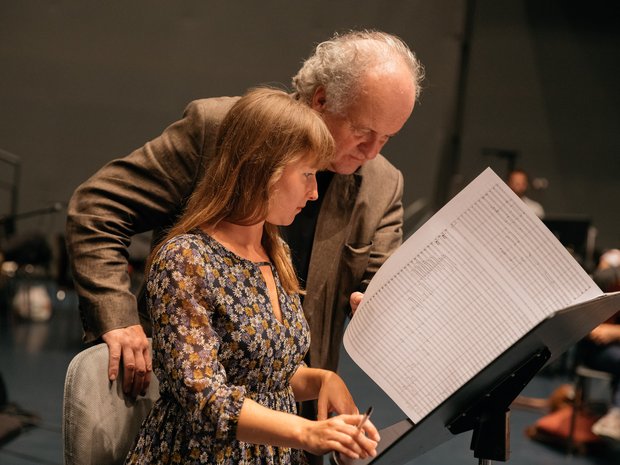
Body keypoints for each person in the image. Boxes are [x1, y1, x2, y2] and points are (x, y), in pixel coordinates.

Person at [66, 29, 423, 400]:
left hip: (295, 402)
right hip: (184, 394)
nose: (371, 151)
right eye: (363, 131)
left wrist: (377, 305)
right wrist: (117, 318)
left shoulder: (383, 183)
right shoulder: (219, 128)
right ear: (321, 99)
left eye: (387, 138)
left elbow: (379, 282)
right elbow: (97, 208)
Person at [125, 87, 379, 464]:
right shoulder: (186, 260)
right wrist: (306, 431)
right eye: (307, 174)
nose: (313, 193)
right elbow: (204, 397)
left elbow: (267, 371)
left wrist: (323, 380)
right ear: (263, 169)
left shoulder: (274, 251)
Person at [585, 249, 620, 441]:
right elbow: (594, 333)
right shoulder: (607, 275)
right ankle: (616, 414)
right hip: (599, 351)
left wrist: (615, 332)